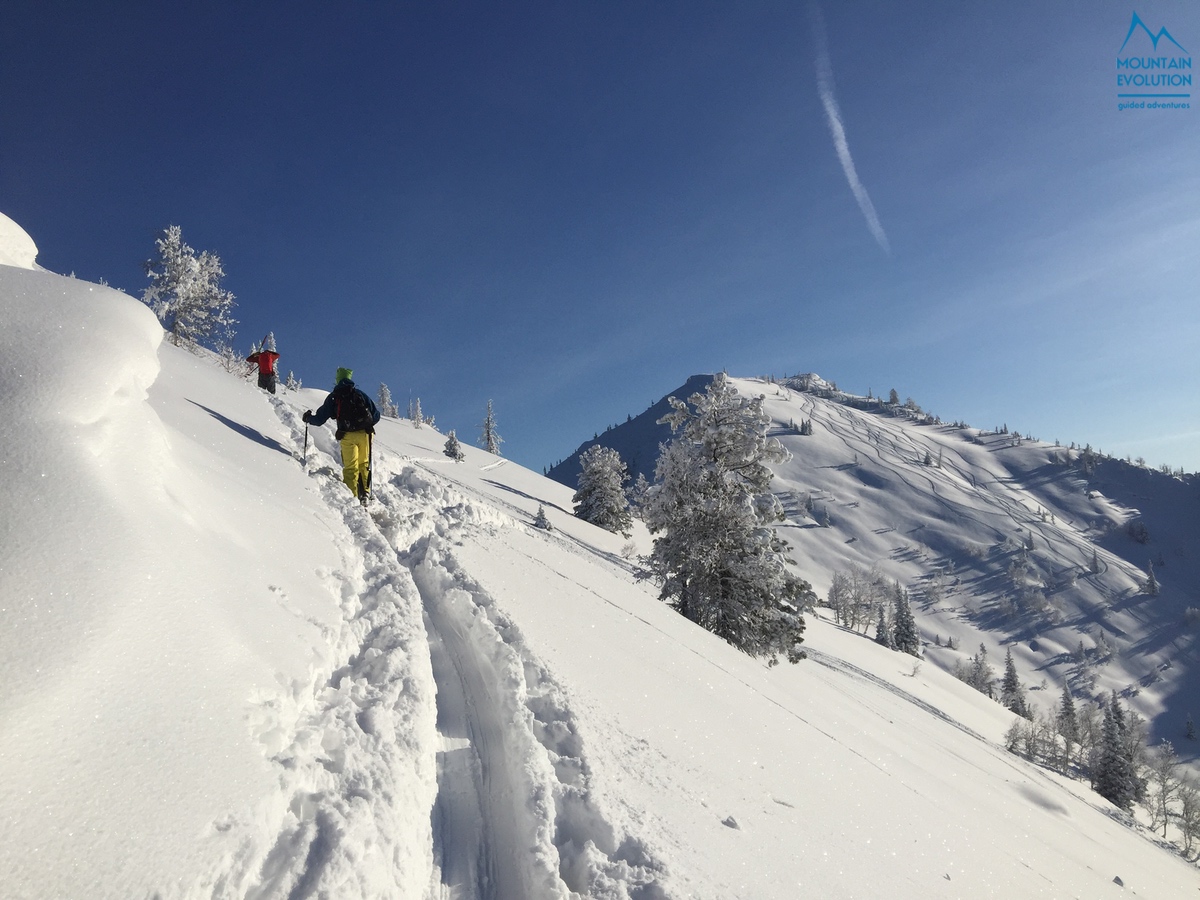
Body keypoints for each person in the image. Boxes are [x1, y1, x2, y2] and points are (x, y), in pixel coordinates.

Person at [303, 368, 381, 505]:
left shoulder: (334, 397)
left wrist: (309, 418)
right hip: (365, 435)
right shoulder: (359, 394)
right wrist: (367, 424)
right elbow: (376, 415)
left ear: (337, 379)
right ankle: (366, 493)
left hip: (347, 435)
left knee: (351, 467)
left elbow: (320, 419)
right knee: (364, 464)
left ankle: (352, 497)